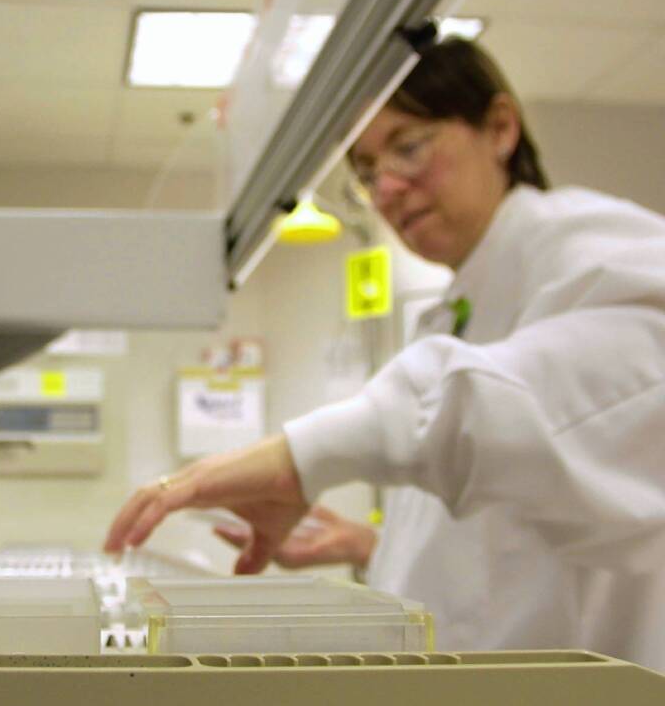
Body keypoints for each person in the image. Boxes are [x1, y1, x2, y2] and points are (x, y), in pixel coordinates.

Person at [104, 37, 665, 670]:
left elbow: (506, 411)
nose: (389, 188)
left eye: (408, 146)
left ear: (499, 128)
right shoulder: (458, 301)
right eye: (367, 172)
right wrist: (374, 546)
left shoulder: (599, 251)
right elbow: (507, 530)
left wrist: (301, 457)